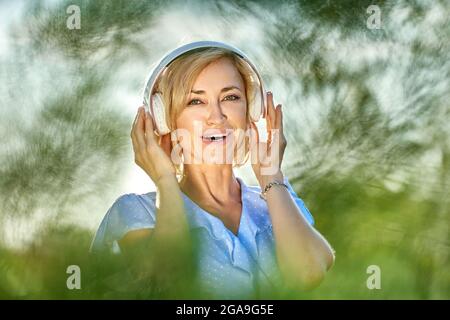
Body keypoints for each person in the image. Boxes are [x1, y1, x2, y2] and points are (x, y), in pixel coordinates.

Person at [90, 42, 335, 299]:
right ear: (164, 120)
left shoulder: (276, 199)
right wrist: (165, 180)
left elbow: (307, 275)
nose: (216, 117)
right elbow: (168, 284)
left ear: (251, 108)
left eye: (231, 97)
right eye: (196, 101)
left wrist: (271, 176)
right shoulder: (135, 212)